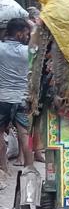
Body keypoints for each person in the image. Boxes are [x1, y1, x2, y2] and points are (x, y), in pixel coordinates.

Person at [0, 18, 32, 170]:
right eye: (26, 33)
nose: (28, 36)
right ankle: (29, 169)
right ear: (19, 33)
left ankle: (4, 169)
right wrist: (32, 24)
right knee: (25, 135)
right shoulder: (28, 51)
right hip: (22, 99)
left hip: (2, 98)